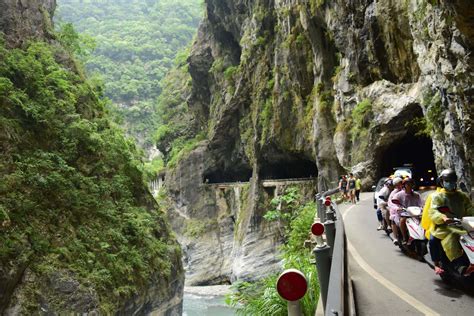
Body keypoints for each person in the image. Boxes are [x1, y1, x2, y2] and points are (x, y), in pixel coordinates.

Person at [428, 169, 474, 275]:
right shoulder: (437, 196)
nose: (450, 183)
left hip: (463, 224)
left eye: (452, 180)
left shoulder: (462, 195)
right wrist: (443, 218)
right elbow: (433, 211)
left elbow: (470, 208)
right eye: (447, 181)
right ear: (442, 182)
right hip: (444, 226)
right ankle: (457, 265)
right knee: (450, 237)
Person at [392, 178, 423, 245]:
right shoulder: (399, 194)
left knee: (423, 221)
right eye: (407, 184)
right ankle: (404, 238)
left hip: (415, 214)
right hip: (404, 214)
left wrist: (422, 208)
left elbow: (421, 203)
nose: (409, 185)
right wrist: (397, 208)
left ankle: (423, 236)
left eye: (411, 184)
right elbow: (393, 204)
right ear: (404, 185)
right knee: (402, 221)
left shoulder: (416, 195)